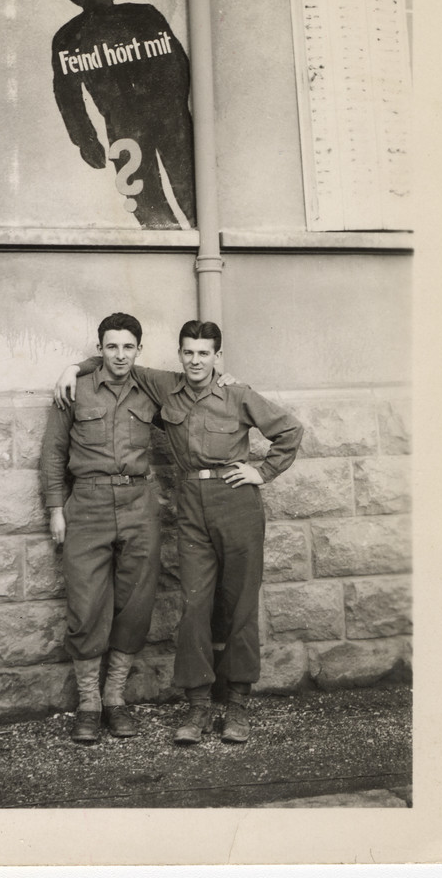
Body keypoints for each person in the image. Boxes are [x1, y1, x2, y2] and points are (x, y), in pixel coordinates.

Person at [55, 320, 303, 746]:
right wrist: (73, 368)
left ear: (217, 357)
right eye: (189, 352)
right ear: (179, 354)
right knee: (194, 606)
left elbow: (290, 430)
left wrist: (261, 472)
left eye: (204, 353)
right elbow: (119, 361)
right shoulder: (165, 386)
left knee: (240, 605)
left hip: (235, 499)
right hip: (190, 501)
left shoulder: (238, 394)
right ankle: (198, 705)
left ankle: (238, 706)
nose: (195, 360)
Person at [40, 312, 162, 744]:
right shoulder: (74, 389)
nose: (120, 354)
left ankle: (115, 699)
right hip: (87, 505)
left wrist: (227, 378)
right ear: (100, 348)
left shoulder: (151, 388)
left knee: (136, 603)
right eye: (112, 346)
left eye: (128, 346)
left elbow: (195, 392)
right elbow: (54, 453)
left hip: (138, 504)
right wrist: (57, 509)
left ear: (139, 350)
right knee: (86, 604)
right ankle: (89, 704)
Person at [51, 0, 197, 229]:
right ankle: (175, 244)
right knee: (161, 197)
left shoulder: (70, 34)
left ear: (80, 1)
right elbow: (68, 96)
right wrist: (86, 140)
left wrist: (86, 140)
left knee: (167, 195)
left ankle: (180, 239)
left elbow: (177, 63)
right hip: (146, 119)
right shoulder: (142, 15)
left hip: (139, 121)